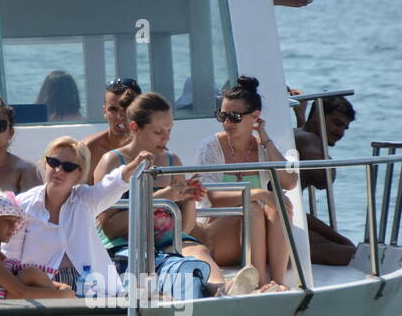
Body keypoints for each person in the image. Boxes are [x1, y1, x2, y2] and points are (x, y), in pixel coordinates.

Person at [91, 92, 236, 293]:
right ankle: (218, 292)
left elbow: (184, 227)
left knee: (198, 250)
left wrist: (189, 200)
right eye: (158, 131)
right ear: (135, 128)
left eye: (169, 129)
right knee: (161, 263)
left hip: (168, 243)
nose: (166, 137)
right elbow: (109, 228)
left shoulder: (172, 161)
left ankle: (225, 291)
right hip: (125, 246)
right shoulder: (113, 163)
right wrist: (163, 197)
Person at [5, 138, 162, 297]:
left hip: (91, 288)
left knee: (155, 297)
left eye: (68, 167)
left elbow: (113, 184)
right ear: (45, 164)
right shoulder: (21, 205)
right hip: (44, 288)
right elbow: (10, 256)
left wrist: (135, 165)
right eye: (53, 162)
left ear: (79, 174)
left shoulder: (85, 199)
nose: (59, 170)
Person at [193, 77, 297, 288]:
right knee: (253, 206)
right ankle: (260, 282)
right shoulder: (211, 147)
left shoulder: (262, 147)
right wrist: (258, 193)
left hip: (255, 236)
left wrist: (264, 137)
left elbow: (289, 182)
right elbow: (214, 198)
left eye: (234, 117)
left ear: (255, 117)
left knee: (280, 205)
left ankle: (277, 282)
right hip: (217, 234)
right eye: (222, 115)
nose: (227, 123)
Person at [0, 190, 74, 300]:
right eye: (8, 221)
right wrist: (62, 295)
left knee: (31, 273)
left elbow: (11, 277)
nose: (14, 227)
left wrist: (58, 287)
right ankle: (63, 307)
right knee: (30, 274)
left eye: (15, 222)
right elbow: (20, 292)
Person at [294, 95, 357, 266]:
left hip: (286, 215)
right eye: (337, 124)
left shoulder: (300, 133)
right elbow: (323, 179)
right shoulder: (309, 141)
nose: (341, 133)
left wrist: (301, 114)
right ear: (317, 117)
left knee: (347, 245)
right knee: (352, 255)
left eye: (345, 128)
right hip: (281, 221)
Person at [81, 77, 141, 184]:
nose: (120, 116)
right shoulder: (88, 150)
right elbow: (75, 197)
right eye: (113, 109)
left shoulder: (153, 149)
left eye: (127, 108)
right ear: (104, 112)